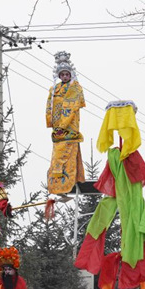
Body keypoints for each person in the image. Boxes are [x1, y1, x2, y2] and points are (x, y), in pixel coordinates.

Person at [46, 51, 86, 201]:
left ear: (70, 75)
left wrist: (63, 124)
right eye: (61, 75)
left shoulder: (75, 87)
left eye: (66, 74)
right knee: (57, 157)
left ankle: (69, 184)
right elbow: (49, 106)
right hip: (58, 131)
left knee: (69, 156)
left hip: (69, 129)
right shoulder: (54, 89)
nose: (64, 77)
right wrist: (53, 123)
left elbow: (72, 106)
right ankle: (58, 187)